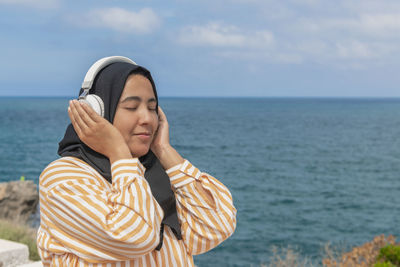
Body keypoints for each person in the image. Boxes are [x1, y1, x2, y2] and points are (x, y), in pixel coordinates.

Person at [36, 58, 236, 266]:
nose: (147, 119)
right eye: (131, 107)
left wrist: (164, 151)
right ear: (97, 112)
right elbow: (134, 238)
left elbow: (215, 229)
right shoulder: (62, 179)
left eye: (152, 108)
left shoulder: (154, 172)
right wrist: (118, 152)